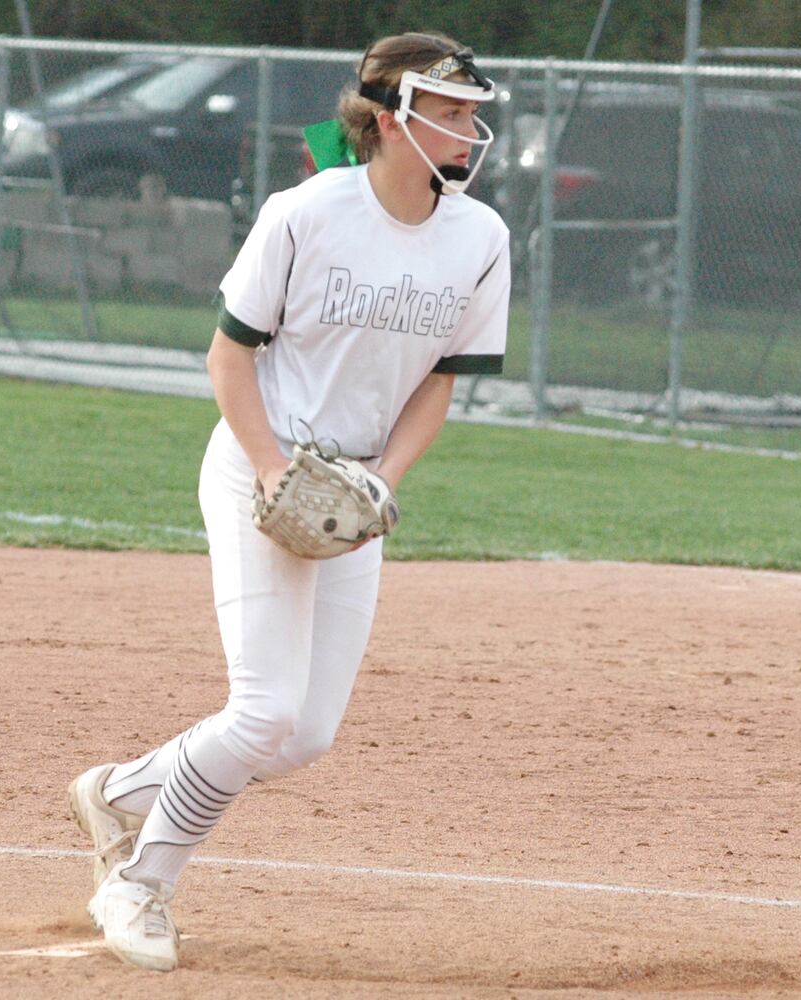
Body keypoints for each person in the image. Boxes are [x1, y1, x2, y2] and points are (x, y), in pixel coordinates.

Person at [66, 31, 509, 973]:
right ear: (394, 120)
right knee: (263, 712)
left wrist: (382, 480)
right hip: (260, 468)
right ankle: (139, 884)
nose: (473, 128)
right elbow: (230, 358)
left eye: (475, 113)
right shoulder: (306, 212)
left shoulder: (481, 236)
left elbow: (441, 380)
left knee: (304, 736)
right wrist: (270, 467)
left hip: (349, 492)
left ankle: (117, 791)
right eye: (455, 110)